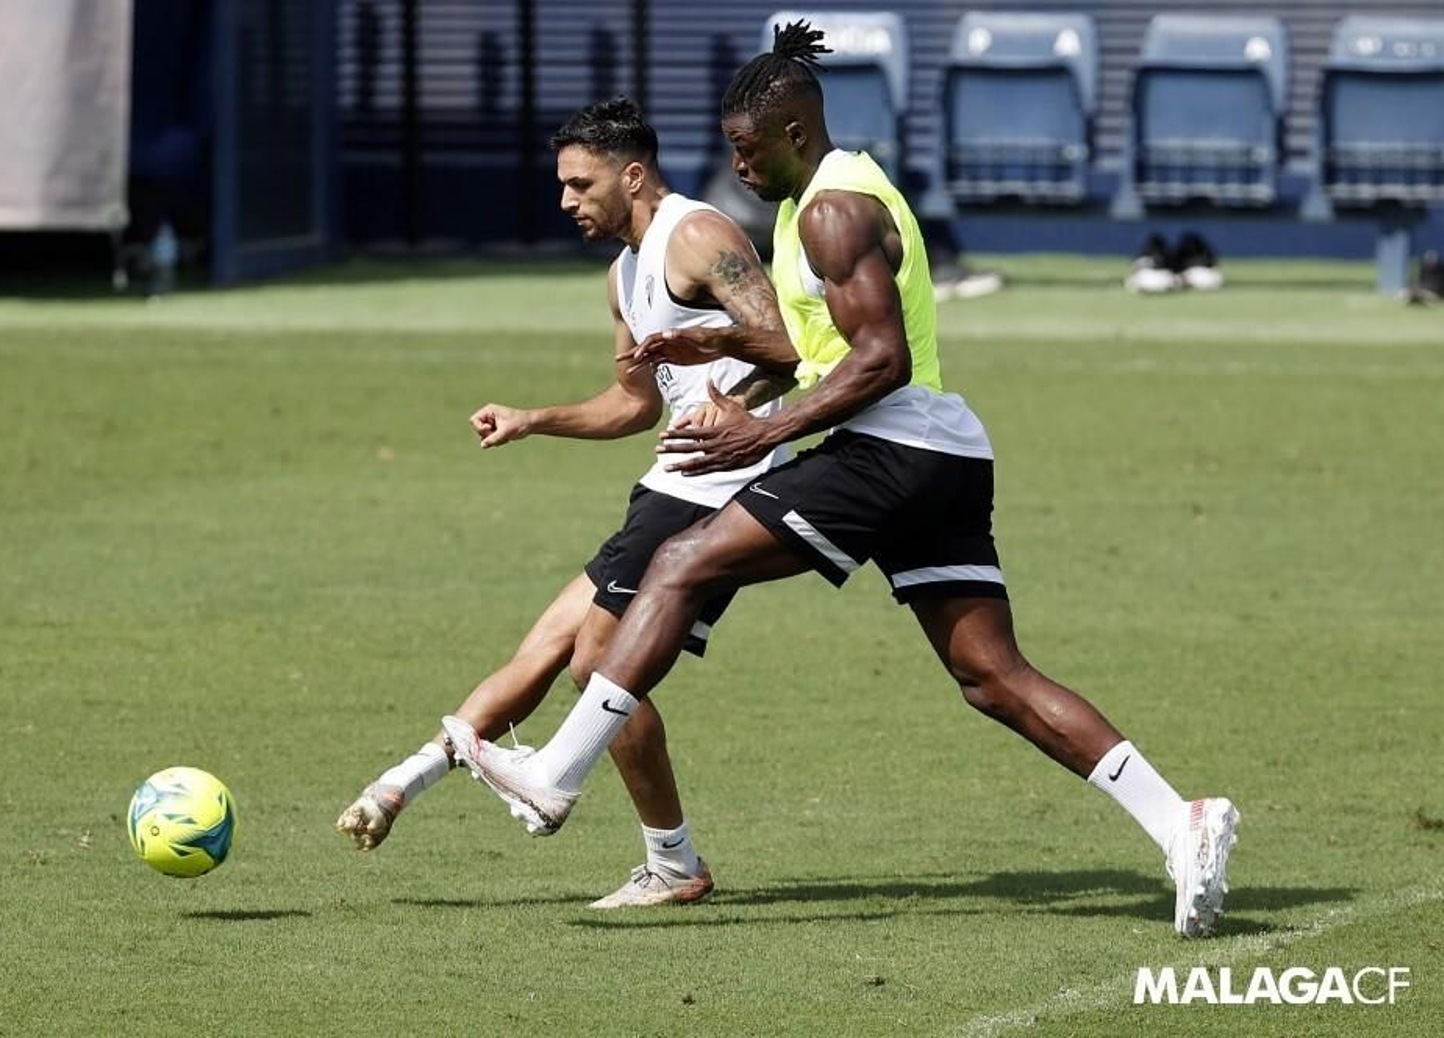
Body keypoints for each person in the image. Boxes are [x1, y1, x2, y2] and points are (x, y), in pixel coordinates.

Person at [444, 24, 1240, 939]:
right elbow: (822, 345)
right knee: (991, 675)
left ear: (794, 132)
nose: (736, 167)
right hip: (942, 453)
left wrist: (763, 429)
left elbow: (881, 361)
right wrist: (723, 344)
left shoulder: (830, 210)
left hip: (890, 449)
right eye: (731, 150)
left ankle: (558, 774)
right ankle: (1181, 823)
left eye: (747, 150)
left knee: (683, 562)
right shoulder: (810, 207)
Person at [337, 97, 795, 909]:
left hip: (723, 482)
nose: (566, 201)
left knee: (595, 665)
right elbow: (635, 406)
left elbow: (784, 346)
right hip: (669, 484)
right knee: (551, 644)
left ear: (632, 173)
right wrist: (533, 419)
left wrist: (741, 403)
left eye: (580, 184)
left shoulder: (698, 236)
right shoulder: (622, 277)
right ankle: (397, 786)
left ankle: (665, 857)